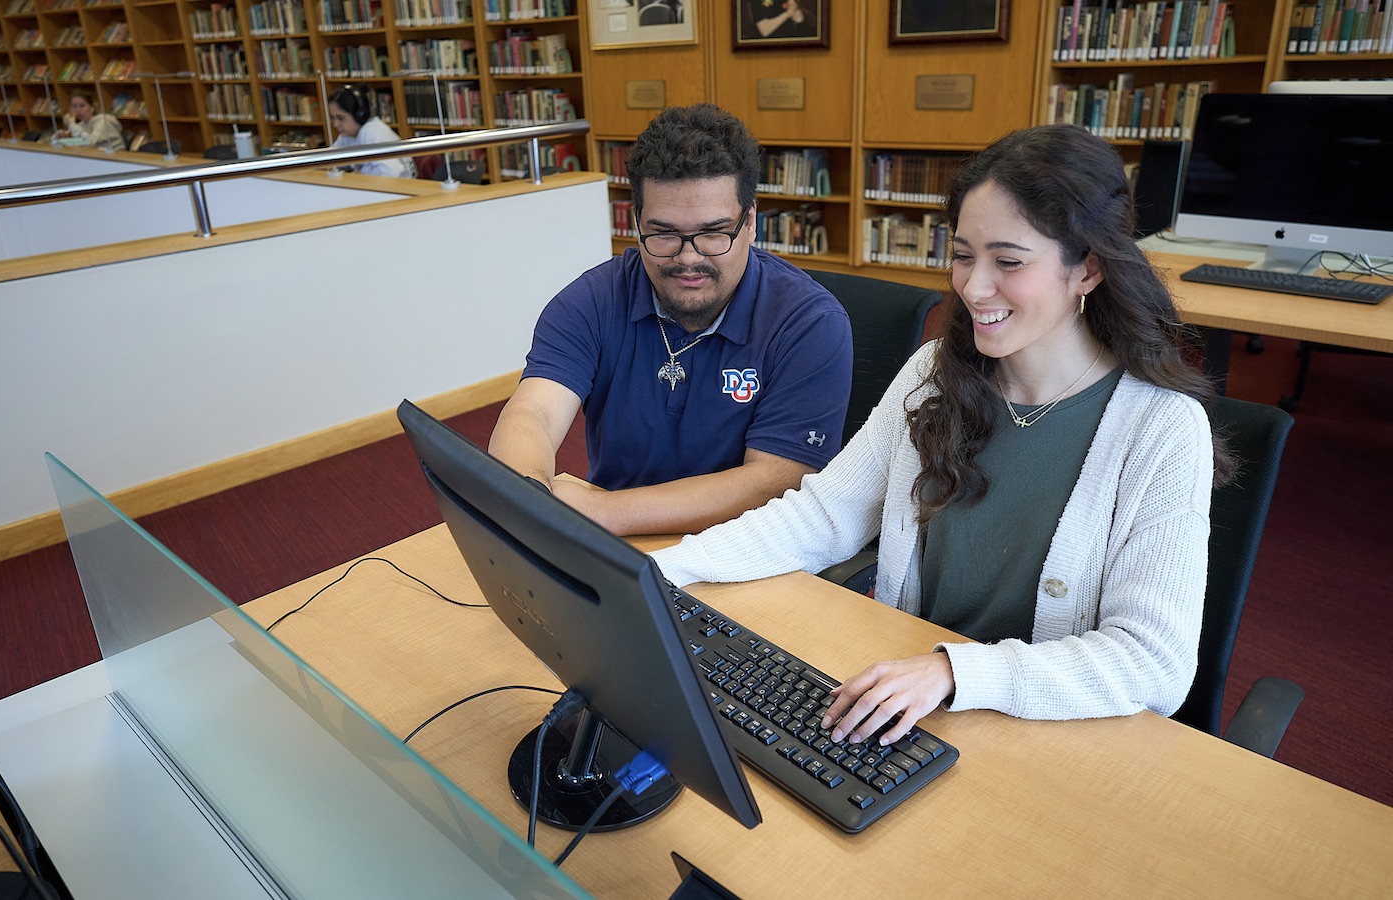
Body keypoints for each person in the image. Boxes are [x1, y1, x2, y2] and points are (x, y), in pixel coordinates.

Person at [651, 123, 1233, 746]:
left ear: (1087, 268)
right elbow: (825, 515)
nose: (973, 287)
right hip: (911, 708)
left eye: (1008, 261)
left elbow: (1155, 664)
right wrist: (664, 571)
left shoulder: (1162, 430)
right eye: (963, 255)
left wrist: (954, 673)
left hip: (1042, 730)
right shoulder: (934, 372)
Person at [488, 103, 853, 537]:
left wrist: (605, 512)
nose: (688, 258)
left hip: (746, 547)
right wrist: (528, 495)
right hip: (616, 548)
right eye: (664, 234)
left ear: (751, 222)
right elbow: (533, 413)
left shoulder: (810, 322)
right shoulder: (591, 300)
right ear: (636, 223)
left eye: (713, 233)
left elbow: (775, 479)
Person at [326, 87, 415, 178]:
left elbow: (390, 173)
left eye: (341, 118)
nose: (336, 124)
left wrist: (356, 174)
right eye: (333, 118)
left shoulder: (372, 132)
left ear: (360, 114)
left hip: (398, 188)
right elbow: (330, 159)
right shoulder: (347, 135)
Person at [55, 90, 126, 151]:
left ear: (91, 108)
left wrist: (71, 124)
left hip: (116, 157)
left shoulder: (103, 120)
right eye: (74, 106)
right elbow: (78, 142)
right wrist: (62, 137)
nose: (78, 110)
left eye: (82, 106)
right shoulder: (82, 124)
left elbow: (90, 142)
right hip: (97, 157)